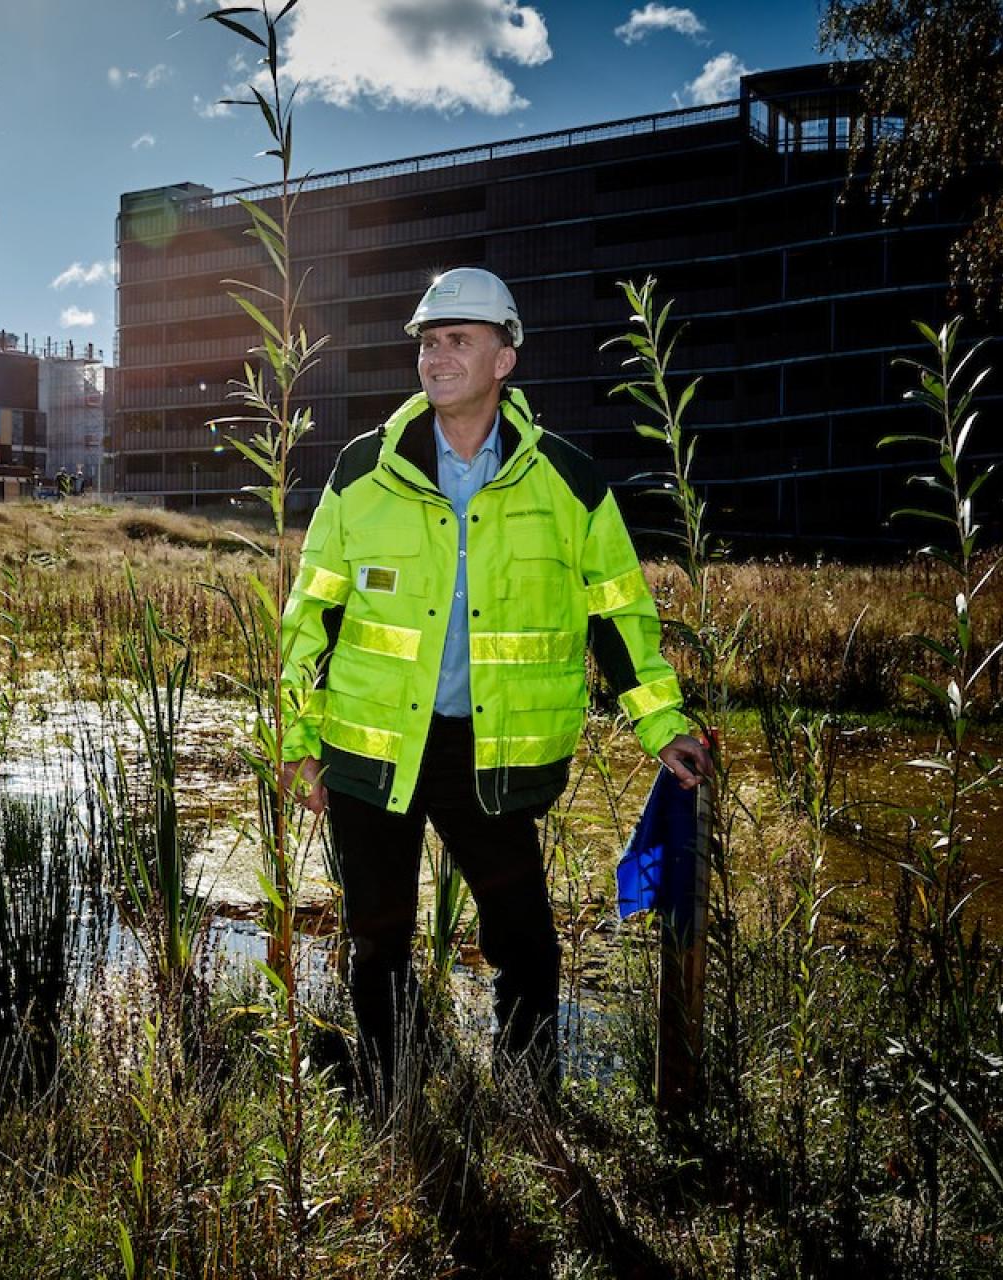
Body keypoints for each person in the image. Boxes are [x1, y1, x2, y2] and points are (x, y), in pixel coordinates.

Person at [278, 267, 714, 1100]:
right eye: (430, 342)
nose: (438, 357)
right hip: (371, 749)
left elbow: (619, 613)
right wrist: (296, 741)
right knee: (379, 939)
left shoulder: (568, 480)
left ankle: (526, 1106)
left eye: (460, 341)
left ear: (504, 358)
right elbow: (311, 615)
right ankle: (390, 1102)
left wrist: (661, 724)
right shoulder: (362, 471)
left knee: (525, 941)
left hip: (491, 751)